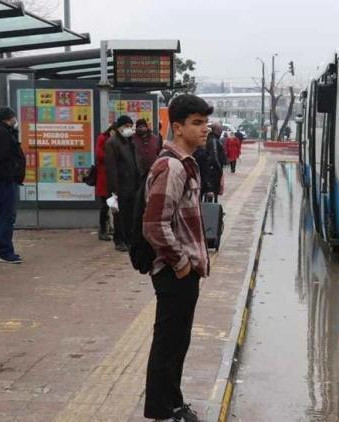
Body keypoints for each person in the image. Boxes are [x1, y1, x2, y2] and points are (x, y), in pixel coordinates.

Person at [141, 94, 212, 422]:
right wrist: (182, 264)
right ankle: (163, 410)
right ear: (178, 127)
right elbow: (155, 224)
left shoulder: (184, 163)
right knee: (168, 345)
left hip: (182, 271)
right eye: (197, 123)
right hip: (174, 272)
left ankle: (172, 404)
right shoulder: (171, 166)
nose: (204, 129)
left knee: (176, 343)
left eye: (205, 122)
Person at [0, 107, 26, 264]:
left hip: (1, 180)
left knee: (2, 215)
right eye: (14, 117)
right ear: (9, 118)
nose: (15, 120)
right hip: (2, 181)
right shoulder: (1, 134)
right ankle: (5, 252)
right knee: (7, 216)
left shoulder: (2, 132)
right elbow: (2, 160)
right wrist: (11, 174)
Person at [105, 115, 140, 251]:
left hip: (132, 184)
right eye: (126, 126)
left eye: (131, 126)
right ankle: (119, 240)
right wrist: (113, 190)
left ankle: (129, 240)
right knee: (119, 215)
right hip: (119, 185)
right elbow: (111, 168)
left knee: (130, 214)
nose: (129, 129)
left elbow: (135, 162)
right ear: (119, 128)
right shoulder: (112, 143)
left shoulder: (130, 141)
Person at [194, 121, 227, 202]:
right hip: (213, 172)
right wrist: (219, 168)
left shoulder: (212, 139)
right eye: (220, 129)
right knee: (211, 192)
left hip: (210, 171)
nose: (221, 131)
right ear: (218, 130)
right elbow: (214, 157)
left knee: (209, 192)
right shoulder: (214, 140)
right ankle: (210, 206)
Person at [95, 123, 116, 241]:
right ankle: (102, 230)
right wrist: (113, 156)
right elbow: (99, 155)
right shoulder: (102, 138)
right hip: (104, 176)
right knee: (105, 205)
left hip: (114, 176)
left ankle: (111, 227)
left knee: (114, 204)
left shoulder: (120, 140)